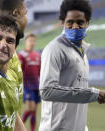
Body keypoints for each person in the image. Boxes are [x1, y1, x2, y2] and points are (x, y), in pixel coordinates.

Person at [39, 0, 105, 131]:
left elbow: (77, 92)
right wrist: (93, 94)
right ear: (63, 23)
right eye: (70, 22)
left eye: (80, 22)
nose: (75, 26)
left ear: (87, 23)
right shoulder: (54, 49)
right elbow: (46, 91)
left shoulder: (83, 53)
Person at [0, 0, 28, 112]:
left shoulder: (10, 54)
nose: (27, 19)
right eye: (25, 13)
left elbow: (11, 114)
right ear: (16, 13)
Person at [18, 33, 41, 131]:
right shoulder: (21, 55)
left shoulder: (37, 55)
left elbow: (40, 71)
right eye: (30, 41)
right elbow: (19, 71)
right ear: (25, 42)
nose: (32, 43)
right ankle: (19, 126)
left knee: (34, 111)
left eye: (33, 41)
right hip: (27, 86)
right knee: (30, 108)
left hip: (37, 86)